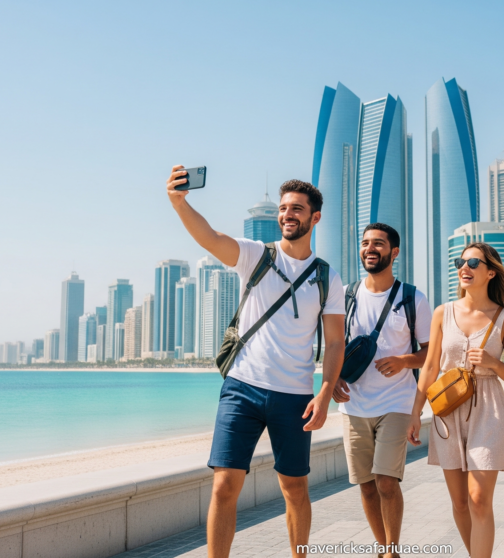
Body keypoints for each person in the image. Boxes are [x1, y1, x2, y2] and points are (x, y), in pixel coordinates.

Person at [166, 167, 346, 558]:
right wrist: (180, 204)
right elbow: (211, 238)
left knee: (294, 488)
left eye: (297, 209)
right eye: (283, 208)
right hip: (241, 388)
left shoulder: (328, 278)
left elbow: (335, 343)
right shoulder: (255, 255)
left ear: (315, 217)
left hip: (295, 396)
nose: (287, 215)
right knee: (224, 484)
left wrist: (326, 393)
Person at [406, 243, 504, 558]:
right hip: (447, 409)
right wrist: (416, 413)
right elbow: (430, 366)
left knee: (478, 499)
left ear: (491, 272)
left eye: (473, 262)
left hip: (489, 410)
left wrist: (493, 363)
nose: (465, 267)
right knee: (459, 503)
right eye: (461, 261)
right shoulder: (443, 313)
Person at [332, 223, 431, 558]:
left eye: (378, 243)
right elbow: (333, 347)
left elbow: (431, 353)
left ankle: (392, 552)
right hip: (353, 405)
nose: (370, 249)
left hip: (397, 403)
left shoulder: (413, 297)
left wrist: (405, 361)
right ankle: (382, 549)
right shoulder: (345, 295)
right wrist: (330, 380)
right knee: (366, 485)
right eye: (365, 243)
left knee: (387, 481)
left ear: (394, 252)